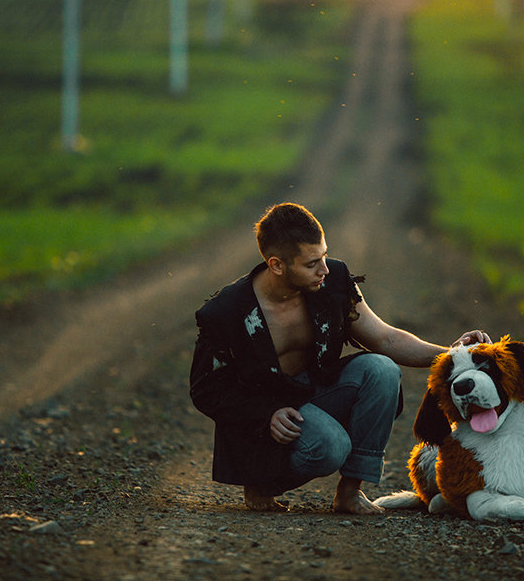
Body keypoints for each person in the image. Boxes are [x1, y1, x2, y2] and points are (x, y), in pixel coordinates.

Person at [189, 202, 490, 514]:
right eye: (311, 264)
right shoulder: (225, 313)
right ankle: (262, 481)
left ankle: (349, 492)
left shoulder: (333, 282)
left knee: (381, 369)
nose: (325, 269)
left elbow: (384, 338)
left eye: (323, 255)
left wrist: (455, 355)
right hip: (266, 414)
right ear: (277, 265)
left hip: (313, 393)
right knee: (330, 447)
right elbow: (205, 390)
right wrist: (265, 414)